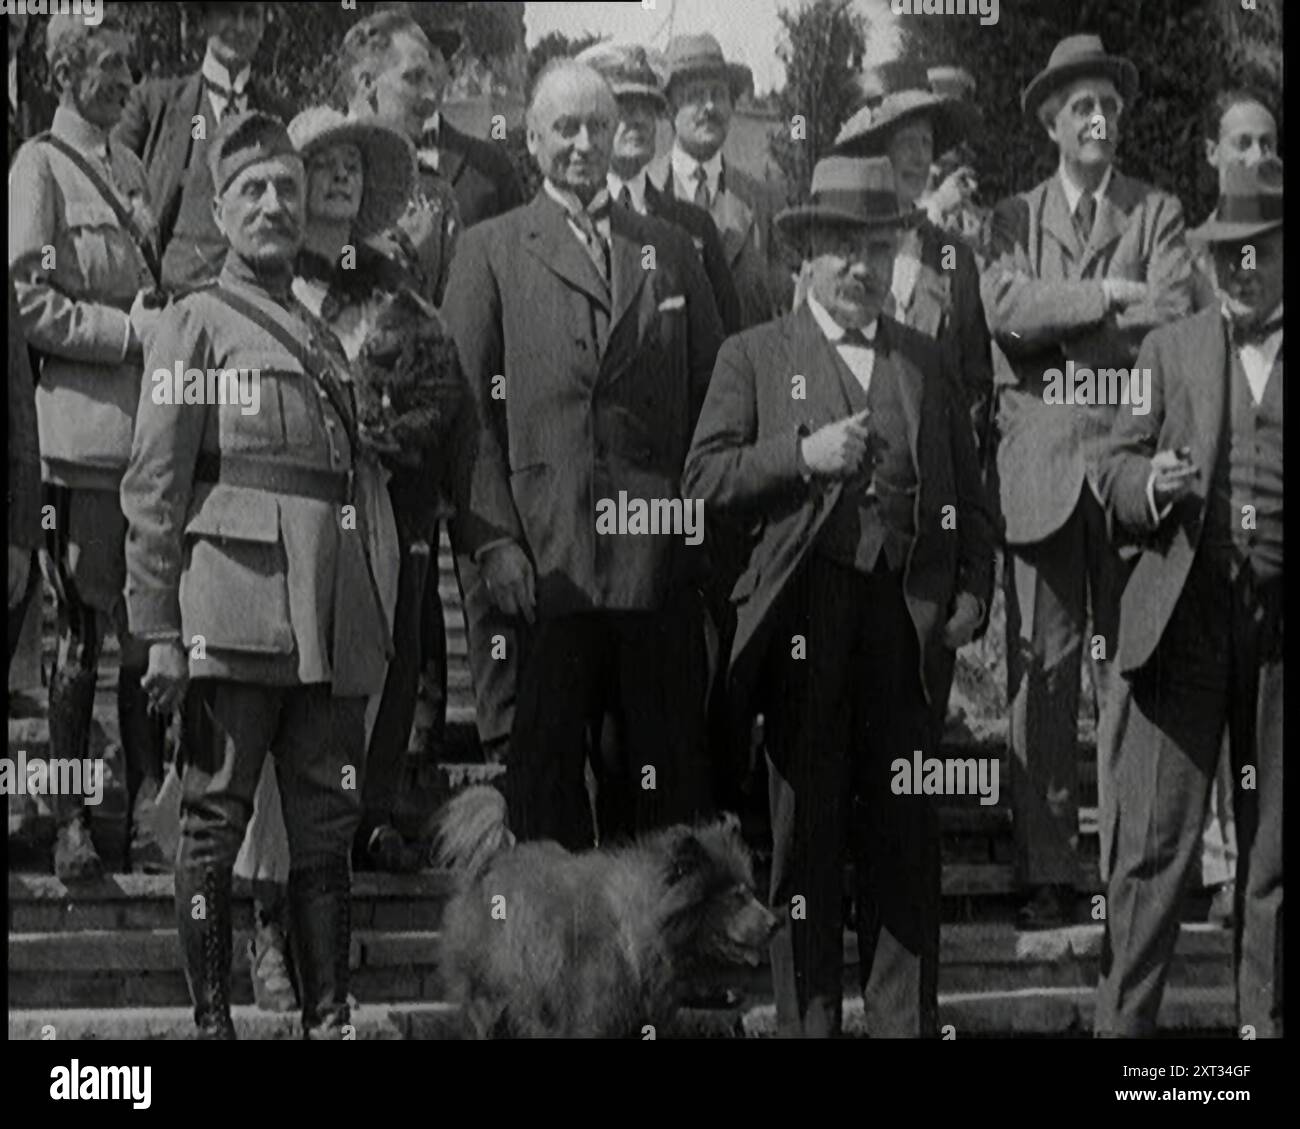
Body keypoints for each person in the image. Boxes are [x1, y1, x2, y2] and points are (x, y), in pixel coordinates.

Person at [684, 155, 995, 1037]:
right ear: (804, 258)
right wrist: (800, 457)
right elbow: (701, 478)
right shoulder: (754, 354)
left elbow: (973, 498)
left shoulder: (926, 361)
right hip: (803, 622)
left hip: (908, 626)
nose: (860, 266)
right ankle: (808, 1024)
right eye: (841, 248)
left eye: (875, 246)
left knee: (906, 841)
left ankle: (902, 1024)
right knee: (806, 842)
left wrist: (971, 589)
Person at [120, 111, 391, 1039]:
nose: (276, 205)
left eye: (288, 188)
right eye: (253, 192)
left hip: (324, 608)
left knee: (324, 831)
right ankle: (211, 1022)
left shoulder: (319, 330)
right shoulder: (195, 321)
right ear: (222, 211)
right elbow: (153, 483)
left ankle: (331, 1016)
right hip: (227, 610)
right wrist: (156, 627)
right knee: (212, 823)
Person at [442, 59, 724, 848]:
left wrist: (689, 533)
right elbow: (464, 414)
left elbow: (714, 401)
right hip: (544, 564)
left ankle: (662, 970)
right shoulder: (490, 249)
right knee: (548, 806)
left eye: (597, 126)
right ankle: (551, 973)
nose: (583, 143)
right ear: (532, 139)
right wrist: (494, 539)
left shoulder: (670, 249)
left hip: (651, 566)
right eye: (564, 127)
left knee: (660, 799)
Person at [981, 34, 1196, 928]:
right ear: (1050, 123)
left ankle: (1131, 868)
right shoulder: (1011, 217)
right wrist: (1109, 296)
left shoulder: (1159, 212)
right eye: (1082, 109)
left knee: (1134, 672)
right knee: (1043, 677)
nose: (1100, 120)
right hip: (1038, 472)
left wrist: (1063, 316)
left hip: (1127, 464)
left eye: (1109, 105)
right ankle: (1046, 871)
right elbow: (1005, 311)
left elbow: (1176, 313)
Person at [1095, 157, 1283, 1039]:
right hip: (1189, 622)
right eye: (1228, 255)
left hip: (1280, 637)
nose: (1242, 271)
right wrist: (1152, 487)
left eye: (1261, 253)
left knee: (1275, 859)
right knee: (1154, 853)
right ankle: (1122, 1038)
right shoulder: (1166, 350)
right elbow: (1111, 463)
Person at [289, 103, 470, 871]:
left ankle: (368, 811)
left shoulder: (395, 290)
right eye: (322, 161)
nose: (339, 175)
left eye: (352, 165)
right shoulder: (265, 278)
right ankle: (294, 846)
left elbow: (442, 391)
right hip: (292, 512)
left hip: (386, 512)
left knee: (389, 655)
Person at [8, 14, 166, 879]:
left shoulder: (131, 167)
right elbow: (23, 301)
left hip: (144, 444)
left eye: (130, 67)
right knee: (76, 638)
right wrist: (124, 333)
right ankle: (69, 818)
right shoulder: (38, 166)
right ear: (65, 70)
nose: (123, 80)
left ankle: (142, 815)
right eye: (107, 65)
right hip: (74, 440)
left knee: (145, 636)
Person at [1191, 88, 1278, 929]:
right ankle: (1214, 867)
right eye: (1240, 144)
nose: (1255, 156)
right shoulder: (1190, 293)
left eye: (1268, 144)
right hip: (1205, 568)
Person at [832, 61, 994, 472]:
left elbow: (975, 381)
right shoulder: (830, 252)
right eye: (905, 141)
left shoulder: (954, 260)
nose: (919, 158)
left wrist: (956, 450)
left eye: (926, 142)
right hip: (850, 494)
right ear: (872, 149)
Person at [113, 1, 292, 294]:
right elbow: (109, 158)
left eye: (251, 15)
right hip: (174, 303)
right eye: (229, 13)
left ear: (262, 27)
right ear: (205, 20)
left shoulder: (281, 115)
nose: (241, 26)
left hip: (257, 306)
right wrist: (134, 199)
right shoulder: (155, 100)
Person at [646, 33, 793, 329]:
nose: (709, 107)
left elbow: (782, 304)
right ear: (671, 109)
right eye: (695, 96)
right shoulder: (642, 194)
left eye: (718, 95)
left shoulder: (761, 200)